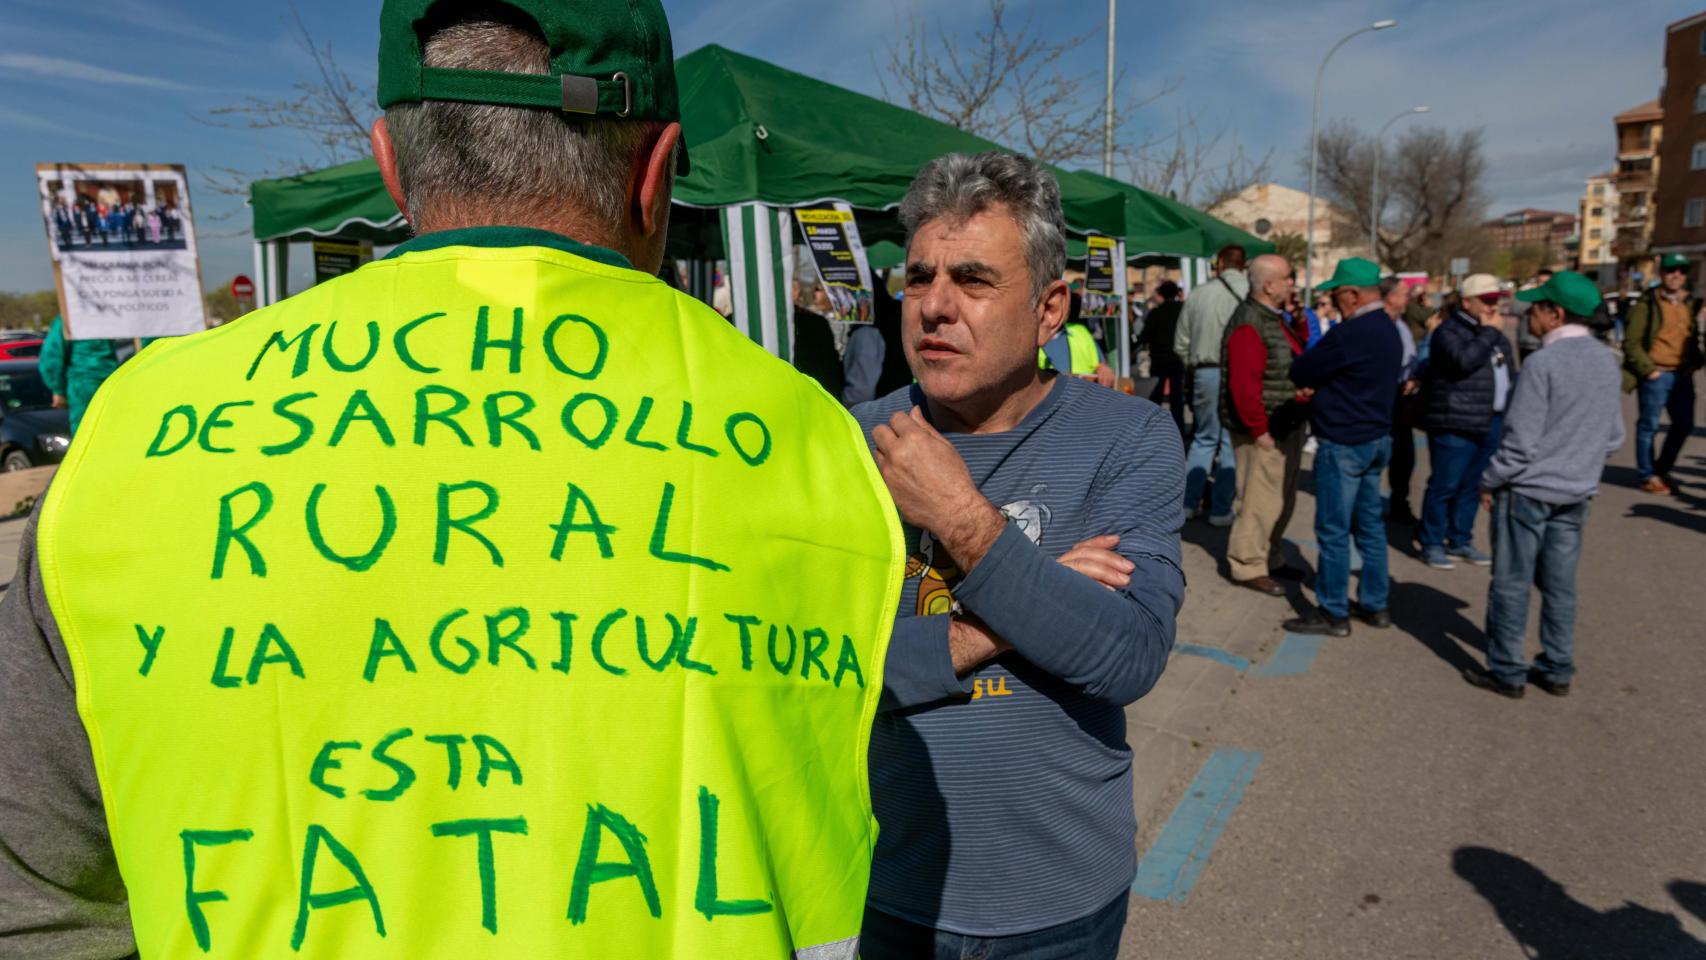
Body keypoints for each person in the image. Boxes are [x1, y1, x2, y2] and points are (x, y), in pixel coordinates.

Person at [0, 3, 903, 957]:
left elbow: (40, 893)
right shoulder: (814, 439)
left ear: (391, 163)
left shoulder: (140, 435)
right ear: (659, 171)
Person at [853, 151, 1184, 960]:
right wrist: (1007, 619)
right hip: (885, 887)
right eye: (919, 277)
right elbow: (826, 668)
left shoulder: (1129, 436)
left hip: (1059, 901)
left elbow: (1126, 654)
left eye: (971, 280)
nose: (932, 307)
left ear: (1049, 309)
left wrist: (964, 520)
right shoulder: (854, 440)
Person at [1464, 272, 1624, 699]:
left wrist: (1488, 479)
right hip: (1576, 492)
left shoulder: (1543, 363)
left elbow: (1519, 444)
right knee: (1559, 584)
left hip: (1528, 491)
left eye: (1535, 309)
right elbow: (1613, 437)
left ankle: (1507, 668)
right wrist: (1578, 459)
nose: (1527, 317)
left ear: (1555, 315)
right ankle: (1557, 665)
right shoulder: (1607, 360)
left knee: (1512, 582)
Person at [1283, 258, 1403, 636]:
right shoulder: (1388, 327)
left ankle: (1334, 611)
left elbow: (1301, 370)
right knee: (1369, 527)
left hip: (1345, 440)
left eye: (1336, 294)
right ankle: (1375, 603)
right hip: (1376, 437)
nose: (1334, 301)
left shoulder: (1351, 333)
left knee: (1334, 530)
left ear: (1352, 295)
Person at [1221, 254, 1307, 595]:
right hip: (1263, 429)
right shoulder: (1249, 321)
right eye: (1288, 277)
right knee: (1258, 501)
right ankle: (1247, 564)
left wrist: (1298, 321)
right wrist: (1260, 431)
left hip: (1281, 423)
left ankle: (1269, 556)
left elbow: (1292, 355)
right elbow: (1243, 385)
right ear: (1268, 285)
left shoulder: (1273, 317)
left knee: (1279, 499)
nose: (1292, 283)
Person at [1415, 274, 1511, 570]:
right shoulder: (1450, 331)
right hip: (1455, 419)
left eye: (1496, 301)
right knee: (1445, 484)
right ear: (1467, 301)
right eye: (1486, 301)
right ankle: (1431, 542)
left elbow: (1509, 371)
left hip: (1490, 419)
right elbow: (1464, 361)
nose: (1492, 307)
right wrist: (1489, 334)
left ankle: (1460, 539)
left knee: (1474, 485)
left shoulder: (1493, 333)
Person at [1174, 244, 1249, 523]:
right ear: (1243, 264)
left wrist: (1194, 364)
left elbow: (1181, 342)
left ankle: (1189, 504)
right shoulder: (1249, 293)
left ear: (1218, 264)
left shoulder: (1200, 294)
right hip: (1239, 372)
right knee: (1230, 442)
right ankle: (1220, 508)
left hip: (1205, 370)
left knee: (1204, 439)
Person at [1623, 253, 1701, 495]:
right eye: (1671, 270)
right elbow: (1631, 342)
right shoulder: (1648, 303)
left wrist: (1695, 361)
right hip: (1657, 374)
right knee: (1649, 425)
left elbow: (1692, 338)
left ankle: (1662, 469)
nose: (1676, 275)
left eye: (1682, 270)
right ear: (1662, 273)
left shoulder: (1688, 302)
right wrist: (1649, 370)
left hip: (1682, 375)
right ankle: (1648, 475)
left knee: (1684, 424)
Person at [36, 315, 120, 435]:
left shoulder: (69, 316)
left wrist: (58, 389)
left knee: (85, 433)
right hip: (114, 381)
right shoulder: (110, 314)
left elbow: (52, 355)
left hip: (83, 385)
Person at [1385, 279, 1423, 525]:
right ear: (1389, 297)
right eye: (1403, 295)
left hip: (1403, 397)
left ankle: (1400, 502)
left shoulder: (1402, 324)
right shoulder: (1383, 325)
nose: (1407, 300)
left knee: (1404, 456)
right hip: (1385, 395)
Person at [1137, 280, 1185, 433]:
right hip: (1178, 357)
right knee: (1177, 395)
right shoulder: (1182, 310)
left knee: (1156, 395)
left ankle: (1155, 429)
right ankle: (1179, 428)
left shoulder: (1157, 312)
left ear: (1161, 294)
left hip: (1159, 358)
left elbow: (1145, 336)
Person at [1040, 292, 1116, 387]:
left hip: (1085, 397)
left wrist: (1105, 371)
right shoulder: (1029, 339)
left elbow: (1101, 365)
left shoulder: (1080, 330)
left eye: (1066, 303)